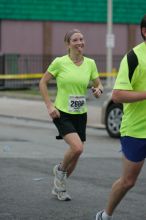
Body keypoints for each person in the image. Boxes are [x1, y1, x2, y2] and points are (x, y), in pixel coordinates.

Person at [39, 29, 103, 201]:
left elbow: (98, 84)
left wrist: (98, 90)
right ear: (68, 44)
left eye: (82, 39)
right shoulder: (60, 62)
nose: (80, 42)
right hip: (62, 112)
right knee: (77, 147)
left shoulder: (90, 63)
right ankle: (60, 171)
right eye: (75, 40)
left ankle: (59, 186)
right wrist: (49, 105)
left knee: (77, 153)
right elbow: (43, 83)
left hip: (81, 113)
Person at [96, 14, 146, 219]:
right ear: (145, 31)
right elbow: (117, 95)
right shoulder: (134, 57)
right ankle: (106, 215)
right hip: (136, 130)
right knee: (128, 181)